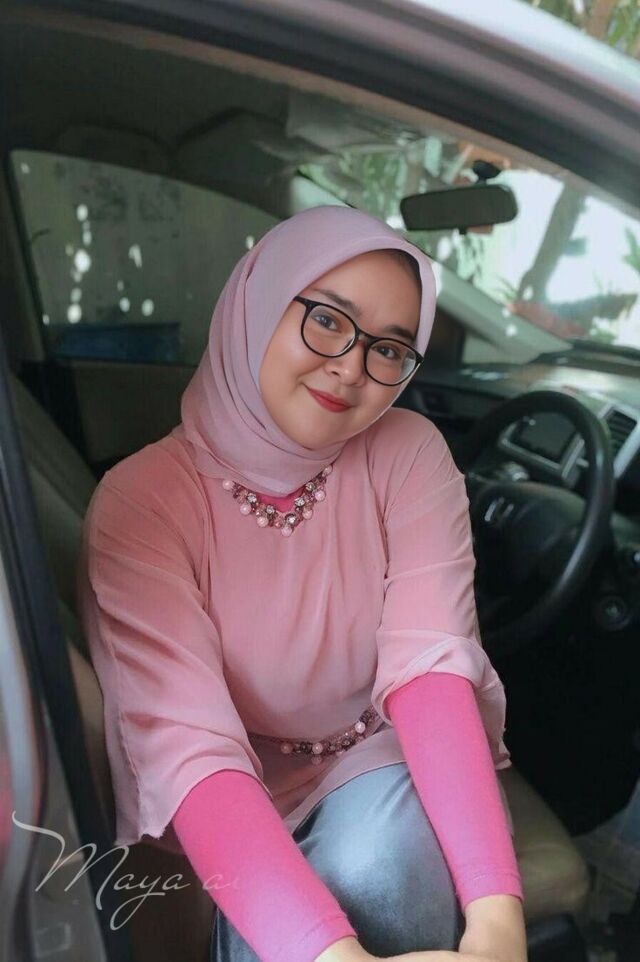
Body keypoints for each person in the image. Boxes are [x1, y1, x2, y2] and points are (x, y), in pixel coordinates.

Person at [76, 205, 527, 962]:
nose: (351, 367)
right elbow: (191, 753)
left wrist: (498, 927)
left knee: (383, 863)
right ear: (258, 304)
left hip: (376, 765)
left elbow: (431, 670)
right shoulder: (142, 503)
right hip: (233, 798)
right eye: (326, 320)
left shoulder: (407, 453)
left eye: (390, 348)